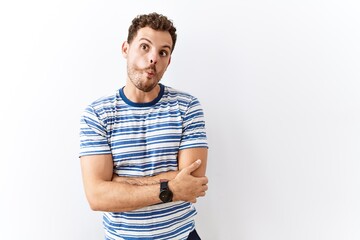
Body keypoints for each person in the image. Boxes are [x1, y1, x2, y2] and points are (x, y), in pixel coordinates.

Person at [79, 12, 208, 240]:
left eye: (163, 52)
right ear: (126, 49)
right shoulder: (97, 114)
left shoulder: (187, 106)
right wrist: (172, 187)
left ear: (169, 61)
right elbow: (97, 196)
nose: (153, 59)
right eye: (145, 47)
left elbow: (192, 183)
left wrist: (119, 183)